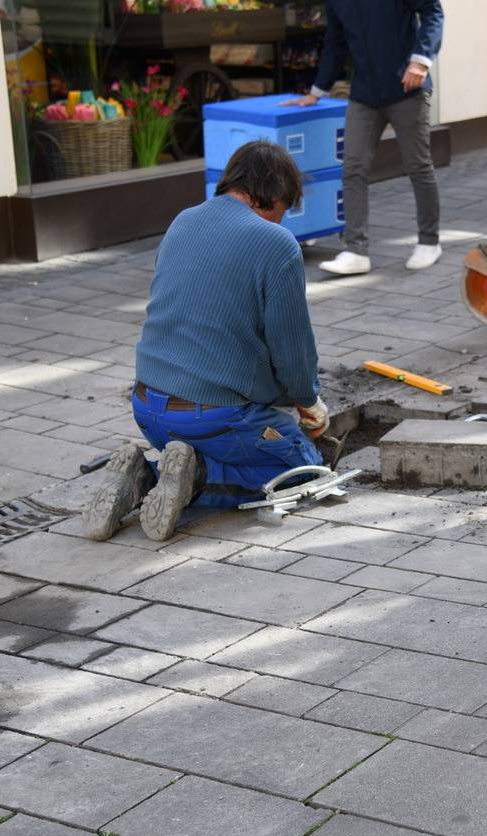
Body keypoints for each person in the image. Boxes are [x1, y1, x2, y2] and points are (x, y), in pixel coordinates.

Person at [83, 141, 329, 542]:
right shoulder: (276, 244)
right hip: (214, 417)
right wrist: (309, 401)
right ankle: (188, 478)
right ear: (274, 193)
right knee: (302, 469)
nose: (284, 221)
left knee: (228, 439)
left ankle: (144, 472)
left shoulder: (183, 220)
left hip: (148, 408)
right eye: (285, 209)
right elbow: (293, 350)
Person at [283, 0, 445, 277]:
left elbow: (433, 11)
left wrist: (421, 60)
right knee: (353, 167)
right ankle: (357, 251)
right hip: (364, 94)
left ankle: (429, 241)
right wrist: (317, 91)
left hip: (408, 89)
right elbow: (335, 42)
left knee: (418, 165)